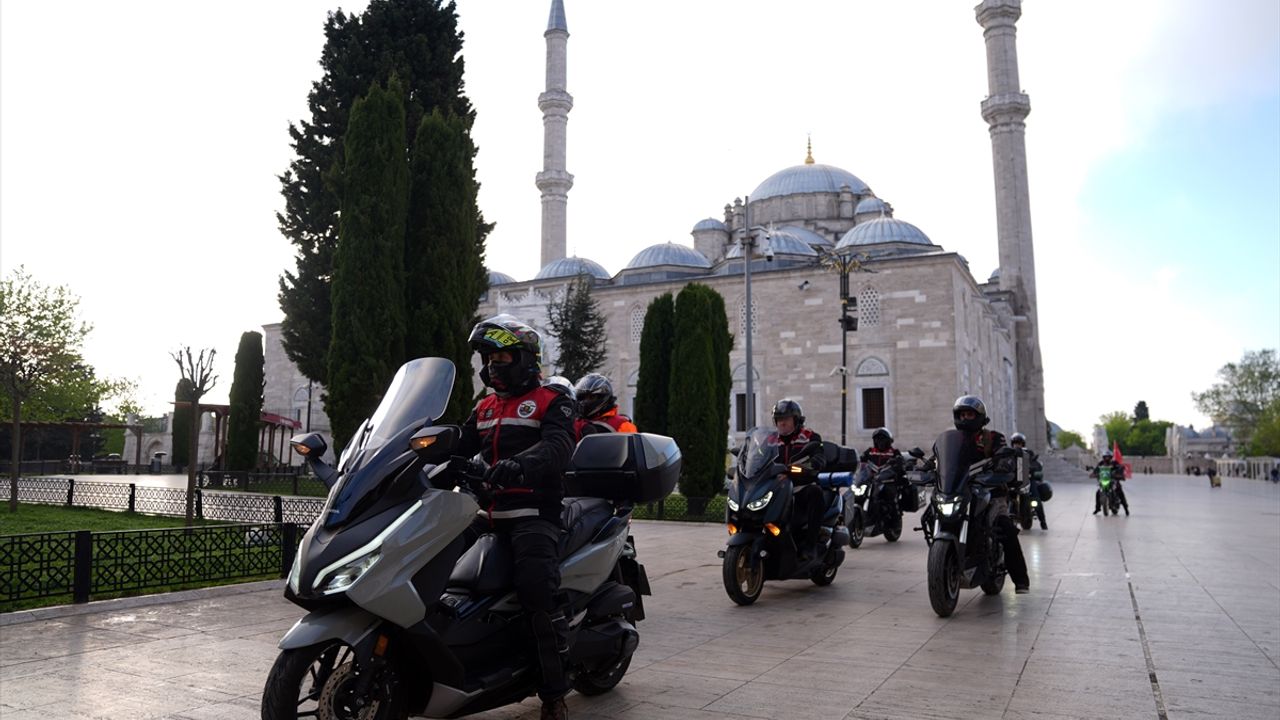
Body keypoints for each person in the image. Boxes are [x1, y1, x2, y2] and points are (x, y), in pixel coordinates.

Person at [458, 315, 575, 720]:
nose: (493, 365)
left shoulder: (552, 400)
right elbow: (458, 444)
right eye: (489, 358)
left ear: (525, 358)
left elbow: (559, 446)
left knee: (536, 589)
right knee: (429, 558)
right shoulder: (485, 406)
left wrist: (520, 464)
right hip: (485, 512)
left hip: (533, 514)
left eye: (502, 357)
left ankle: (554, 693)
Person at [949, 395, 1031, 594]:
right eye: (962, 414)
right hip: (960, 492)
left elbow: (1004, 454)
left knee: (1006, 528)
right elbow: (939, 458)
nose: (965, 418)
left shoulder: (993, 437)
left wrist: (1003, 464)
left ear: (979, 417)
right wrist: (924, 467)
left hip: (991, 493)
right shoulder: (953, 439)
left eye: (970, 414)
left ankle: (1021, 580)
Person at [765, 399, 827, 560]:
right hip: (776, 488)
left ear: (797, 420)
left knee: (815, 492)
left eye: (786, 419)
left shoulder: (809, 437)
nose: (782, 423)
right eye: (779, 419)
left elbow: (819, 456)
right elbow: (758, 457)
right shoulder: (770, 440)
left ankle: (811, 545)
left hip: (801, 487)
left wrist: (813, 464)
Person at [572, 373, 637, 439]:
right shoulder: (575, 423)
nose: (585, 401)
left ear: (602, 396)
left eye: (592, 397)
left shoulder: (622, 425)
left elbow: (631, 444)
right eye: (582, 398)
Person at [1010, 432, 1047, 530]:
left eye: (1019, 443)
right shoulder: (1009, 454)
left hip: (1028, 480)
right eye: (1015, 443)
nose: (1017, 445)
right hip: (1014, 481)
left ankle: (1043, 522)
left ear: (1023, 444)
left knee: (1036, 499)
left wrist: (1031, 467)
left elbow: (1036, 464)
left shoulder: (1028, 453)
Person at [1091, 451, 1130, 515]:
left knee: (1119, 491)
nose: (1107, 458)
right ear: (1103, 457)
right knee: (1098, 492)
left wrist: (1120, 474)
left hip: (1113, 480)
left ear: (1111, 457)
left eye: (1108, 457)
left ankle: (1126, 508)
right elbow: (1096, 469)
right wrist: (1094, 474)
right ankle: (1097, 508)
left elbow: (1120, 468)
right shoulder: (1101, 463)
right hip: (1104, 480)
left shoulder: (1114, 463)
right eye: (1105, 457)